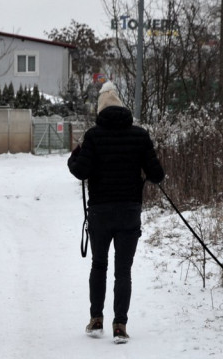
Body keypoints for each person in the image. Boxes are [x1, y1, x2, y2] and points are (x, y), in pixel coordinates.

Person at [67, 81, 165, 344]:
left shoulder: (93, 136)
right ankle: (120, 325)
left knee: (99, 265)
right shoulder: (140, 135)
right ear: (122, 107)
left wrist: (75, 154)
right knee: (124, 270)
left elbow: (80, 171)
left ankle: (96, 319)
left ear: (100, 110)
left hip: (100, 213)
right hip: (129, 212)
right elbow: (157, 175)